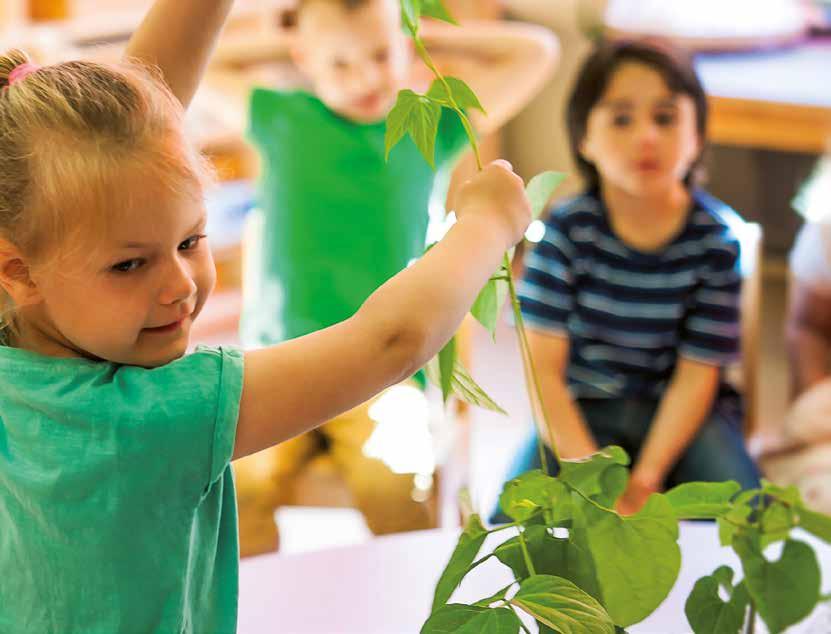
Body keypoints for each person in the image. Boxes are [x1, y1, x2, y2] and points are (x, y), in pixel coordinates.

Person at [0, 0, 533, 628]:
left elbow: (142, 105)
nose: (180, 286)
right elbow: (391, 342)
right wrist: (489, 223)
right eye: (129, 266)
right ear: (20, 271)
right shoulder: (155, 414)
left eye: (191, 241)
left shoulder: (20, 321)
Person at [215, 0, 558, 553]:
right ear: (304, 58)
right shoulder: (281, 116)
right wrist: (296, 38)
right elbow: (203, 64)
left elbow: (539, 51)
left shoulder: (430, 124)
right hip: (277, 363)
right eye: (340, 65)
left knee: (398, 487)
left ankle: (409, 601)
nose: (366, 78)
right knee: (232, 488)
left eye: (380, 54)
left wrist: (425, 37)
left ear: (405, 41)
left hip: (386, 373)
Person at [493, 39, 760, 521]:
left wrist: (644, 480)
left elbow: (696, 378)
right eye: (621, 119)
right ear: (583, 139)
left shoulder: (717, 242)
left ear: (697, 134)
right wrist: (591, 474)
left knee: (748, 519)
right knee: (508, 524)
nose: (646, 137)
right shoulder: (563, 235)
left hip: (686, 418)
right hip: (585, 406)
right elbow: (544, 376)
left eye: (665, 118)